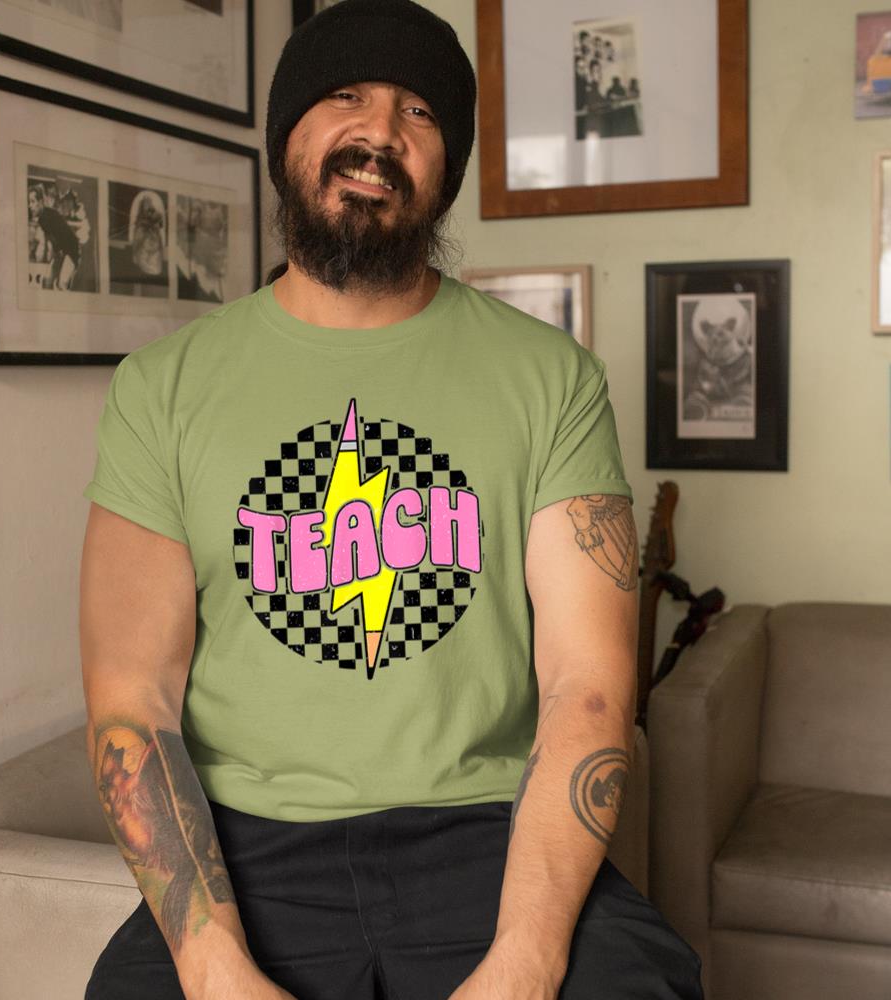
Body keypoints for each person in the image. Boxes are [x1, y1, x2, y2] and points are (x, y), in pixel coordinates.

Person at [79, 2, 704, 998]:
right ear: (286, 138)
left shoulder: (553, 379)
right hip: (248, 846)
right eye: (345, 97)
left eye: (418, 111)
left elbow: (587, 685)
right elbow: (131, 700)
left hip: (487, 833)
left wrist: (526, 960)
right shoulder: (161, 388)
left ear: (446, 168)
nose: (379, 132)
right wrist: (212, 966)